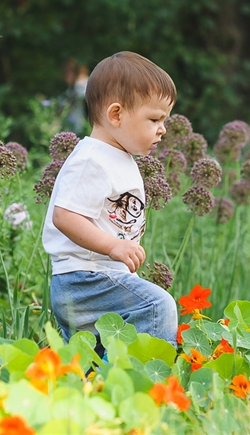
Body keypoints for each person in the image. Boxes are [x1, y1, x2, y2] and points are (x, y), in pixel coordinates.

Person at [42, 51, 179, 350]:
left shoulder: (118, 157)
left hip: (96, 277)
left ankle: (94, 375)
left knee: (90, 355)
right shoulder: (91, 159)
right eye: (154, 119)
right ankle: (149, 376)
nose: (163, 129)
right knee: (157, 307)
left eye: (164, 120)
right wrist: (113, 246)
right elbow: (64, 216)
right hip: (84, 279)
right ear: (116, 115)